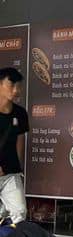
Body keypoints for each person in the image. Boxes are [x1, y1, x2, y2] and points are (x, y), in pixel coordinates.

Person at [0, 68, 28, 224]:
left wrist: (18, 166)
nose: (16, 90)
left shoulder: (20, 113)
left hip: (11, 174)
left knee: (19, 213)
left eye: (18, 86)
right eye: (11, 85)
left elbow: (20, 139)